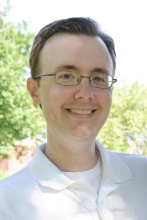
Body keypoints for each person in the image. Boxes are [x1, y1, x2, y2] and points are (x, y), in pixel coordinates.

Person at [0, 17, 147, 220]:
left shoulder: (144, 177)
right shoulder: (6, 203)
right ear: (34, 91)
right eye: (67, 76)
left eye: (98, 78)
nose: (85, 93)